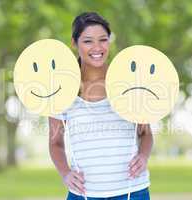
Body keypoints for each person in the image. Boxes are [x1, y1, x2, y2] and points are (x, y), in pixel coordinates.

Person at [49, 12, 153, 200]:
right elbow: (55, 142)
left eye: (103, 40)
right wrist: (65, 173)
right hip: (84, 194)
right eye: (88, 41)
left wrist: (143, 156)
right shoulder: (61, 89)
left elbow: (145, 133)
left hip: (132, 191)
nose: (97, 47)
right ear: (74, 43)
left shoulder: (129, 82)